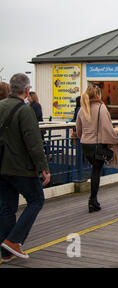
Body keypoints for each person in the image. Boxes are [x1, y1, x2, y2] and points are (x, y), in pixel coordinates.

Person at [0, 73, 50, 261]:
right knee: (36, 200)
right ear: (27, 90)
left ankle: (5, 252)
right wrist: (43, 168)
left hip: (2, 166)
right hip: (21, 167)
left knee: (7, 207)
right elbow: (34, 143)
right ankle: (14, 240)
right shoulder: (25, 110)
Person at [76, 85, 118, 213]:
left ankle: (94, 200)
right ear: (98, 95)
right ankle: (92, 200)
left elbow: (78, 129)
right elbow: (108, 128)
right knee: (96, 172)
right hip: (97, 145)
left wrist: (84, 138)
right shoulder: (101, 108)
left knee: (94, 170)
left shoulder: (83, 109)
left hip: (85, 144)